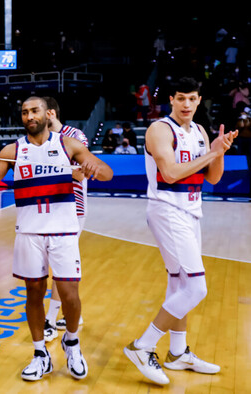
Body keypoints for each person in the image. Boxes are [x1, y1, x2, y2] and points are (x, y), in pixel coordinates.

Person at [0, 96, 112, 382]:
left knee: (70, 295)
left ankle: (71, 343)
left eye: (34, 111)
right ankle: (40, 354)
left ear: (47, 114)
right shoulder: (13, 150)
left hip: (63, 231)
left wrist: (94, 169)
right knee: (33, 293)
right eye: (24, 112)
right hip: (29, 232)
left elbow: (106, 172)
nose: (29, 116)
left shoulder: (67, 144)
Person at [124, 77, 238, 385]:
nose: (186, 104)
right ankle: (142, 346)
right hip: (167, 210)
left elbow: (212, 179)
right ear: (171, 100)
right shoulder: (160, 129)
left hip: (191, 212)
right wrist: (211, 154)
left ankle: (177, 353)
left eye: (192, 99)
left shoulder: (200, 131)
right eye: (181, 98)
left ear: (199, 101)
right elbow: (171, 174)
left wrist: (219, 151)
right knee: (197, 288)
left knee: (180, 283)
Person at [42, 96, 89, 341]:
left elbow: (81, 174)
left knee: (61, 266)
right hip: (50, 210)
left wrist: (47, 170)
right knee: (63, 264)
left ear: (50, 113)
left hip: (73, 210)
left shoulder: (76, 136)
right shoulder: (40, 141)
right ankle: (74, 315)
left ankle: (49, 321)